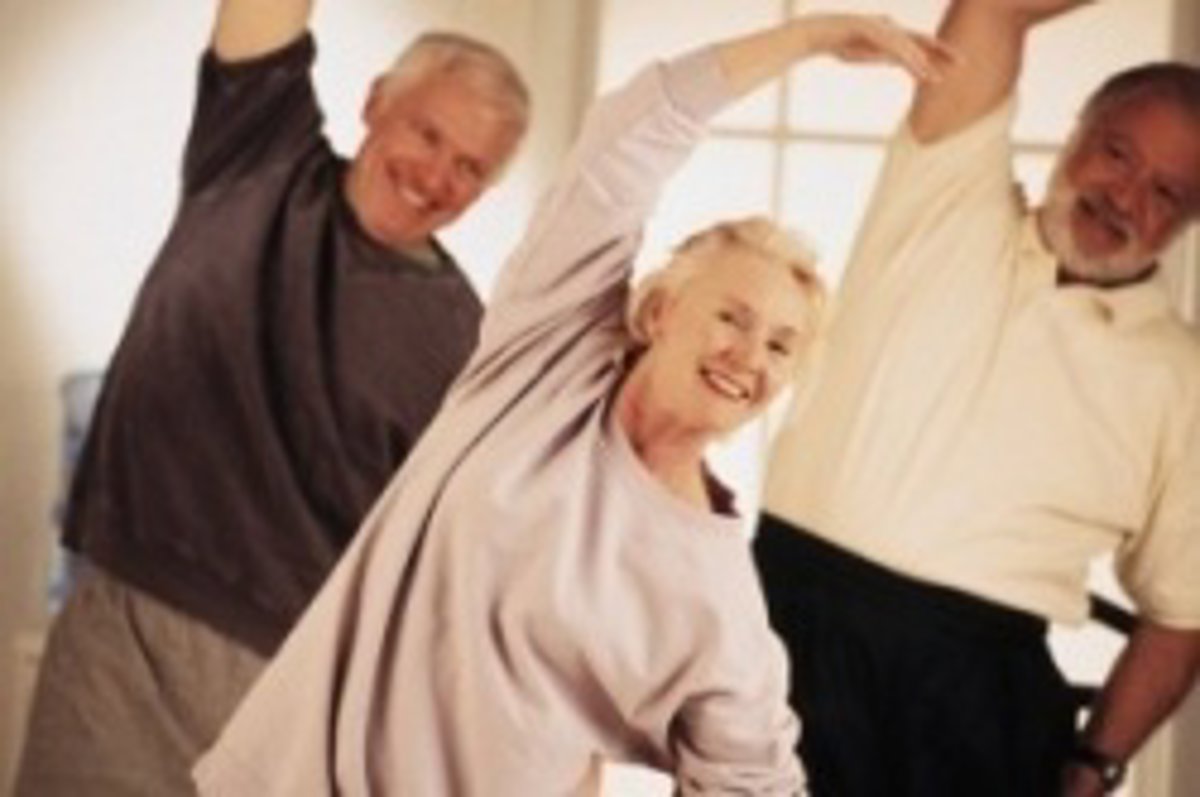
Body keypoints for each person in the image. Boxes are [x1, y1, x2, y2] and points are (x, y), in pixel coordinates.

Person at [190, 13, 948, 796]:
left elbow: (754, 780)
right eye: (733, 317)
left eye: (782, 347)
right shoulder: (548, 353)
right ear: (662, 311)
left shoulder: (716, 594)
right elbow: (633, 133)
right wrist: (808, 38)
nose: (749, 356)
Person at [15, 1, 529, 794]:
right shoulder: (257, 158)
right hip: (123, 631)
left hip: (290, 688)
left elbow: (446, 572)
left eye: (470, 168)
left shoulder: (463, 343)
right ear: (376, 101)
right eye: (428, 134)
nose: (436, 178)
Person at [754, 1, 1200, 795]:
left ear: (1187, 221)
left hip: (977, 695)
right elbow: (993, 11)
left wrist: (1095, 766)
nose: (1124, 197)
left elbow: (1182, 613)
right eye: (1116, 153)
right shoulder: (943, 192)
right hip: (786, 630)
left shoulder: (1182, 379)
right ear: (1077, 129)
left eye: (1165, 191)